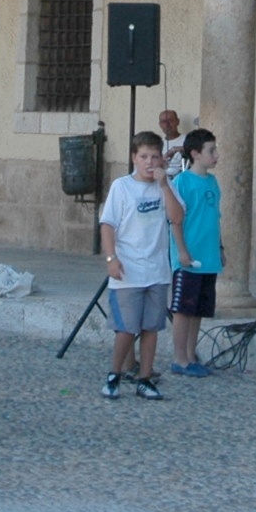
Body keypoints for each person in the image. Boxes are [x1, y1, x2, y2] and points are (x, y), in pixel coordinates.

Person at [99, 131, 171, 401]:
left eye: (154, 156)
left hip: (156, 269)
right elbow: (108, 224)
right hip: (129, 270)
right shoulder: (122, 186)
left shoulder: (165, 186)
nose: (149, 162)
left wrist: (164, 186)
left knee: (151, 327)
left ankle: (145, 377)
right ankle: (114, 374)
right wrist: (111, 258)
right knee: (127, 328)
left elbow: (177, 217)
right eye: (143, 157)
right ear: (134, 158)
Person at [164, 126, 221, 378]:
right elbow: (176, 220)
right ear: (196, 154)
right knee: (183, 309)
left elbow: (214, 218)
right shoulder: (182, 182)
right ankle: (179, 358)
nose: (216, 154)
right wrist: (182, 252)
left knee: (198, 310)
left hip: (208, 257)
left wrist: (220, 247)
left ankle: (190, 354)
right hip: (189, 257)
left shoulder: (213, 182)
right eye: (211, 150)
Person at [157, 109, 186, 173]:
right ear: (160, 125)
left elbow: (198, 149)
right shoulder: (157, 144)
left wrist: (174, 150)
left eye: (170, 120)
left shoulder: (187, 139)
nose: (167, 124)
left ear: (177, 122)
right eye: (164, 121)